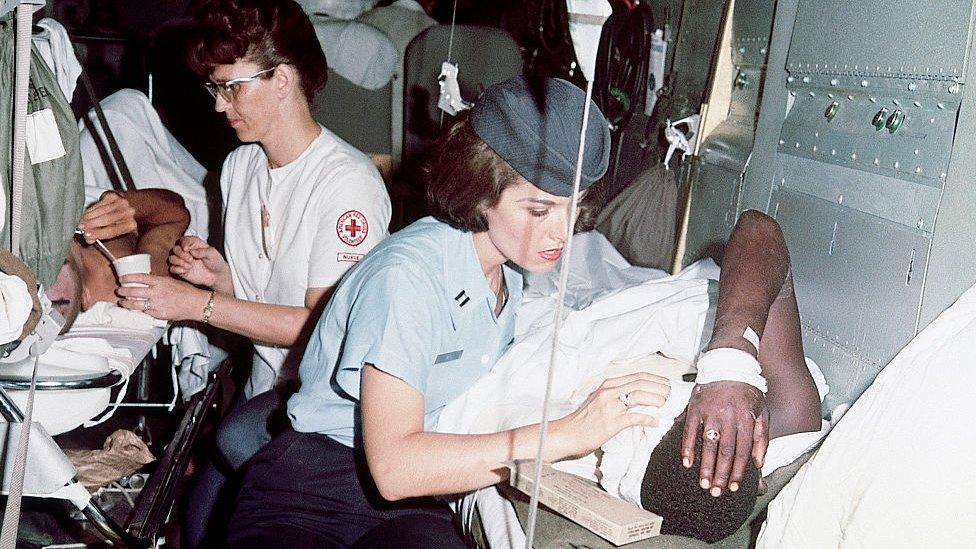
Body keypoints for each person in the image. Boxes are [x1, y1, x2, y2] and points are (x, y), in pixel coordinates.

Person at [226, 75, 668, 548]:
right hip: (312, 492)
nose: (563, 233)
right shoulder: (407, 278)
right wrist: (565, 434)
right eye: (539, 211)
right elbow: (394, 469)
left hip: (420, 501)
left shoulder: (508, 270)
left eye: (573, 208)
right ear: (481, 191)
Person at [115, 0, 391, 546]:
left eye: (231, 88)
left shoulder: (347, 186)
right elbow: (256, 303)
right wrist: (219, 279)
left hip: (322, 416)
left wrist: (198, 305)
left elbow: (319, 327)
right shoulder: (240, 166)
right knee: (195, 526)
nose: (220, 106)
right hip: (261, 391)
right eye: (213, 89)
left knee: (214, 521)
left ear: (283, 80)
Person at [641, 210, 823, 542]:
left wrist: (723, 369)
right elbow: (758, 229)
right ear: (763, 469)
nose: (726, 419)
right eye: (737, 433)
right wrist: (735, 362)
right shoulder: (789, 416)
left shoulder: (623, 431)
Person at [47, 189, 190, 329]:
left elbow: (178, 215)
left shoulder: (130, 288)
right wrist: (126, 204)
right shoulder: (130, 277)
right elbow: (177, 217)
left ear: (85, 298)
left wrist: (125, 204)